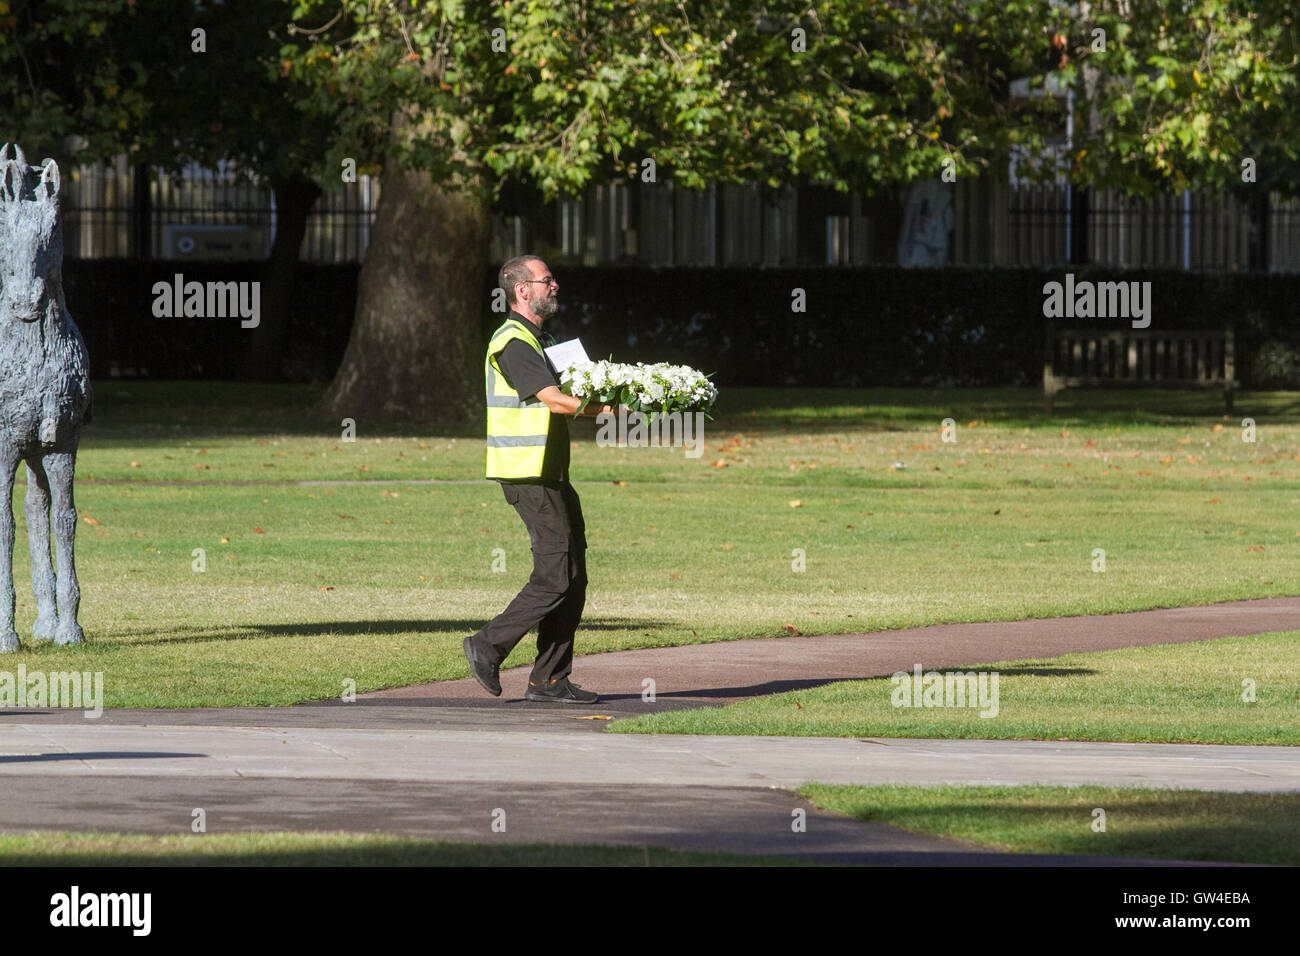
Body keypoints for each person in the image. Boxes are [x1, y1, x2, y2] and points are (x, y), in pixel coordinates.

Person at [462, 254, 613, 704]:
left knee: (573, 574)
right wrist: (615, 412)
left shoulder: (537, 338)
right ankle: (486, 645)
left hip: (550, 473)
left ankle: (549, 680)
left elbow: (571, 394)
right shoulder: (513, 342)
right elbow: (556, 401)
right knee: (554, 576)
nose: (555, 286)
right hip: (527, 474)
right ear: (521, 290)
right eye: (547, 280)